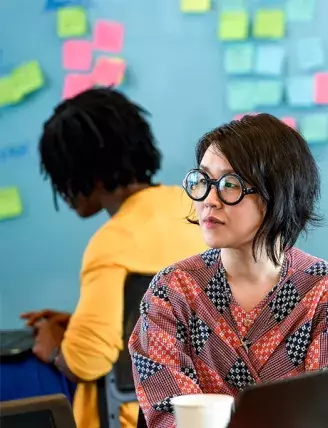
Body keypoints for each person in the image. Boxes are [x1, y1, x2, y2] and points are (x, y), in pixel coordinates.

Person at [128, 114, 328, 428]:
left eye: (230, 185)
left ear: (278, 192)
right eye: (203, 181)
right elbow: (169, 416)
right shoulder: (172, 289)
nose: (209, 200)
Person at [21, 88, 207, 428]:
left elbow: (87, 362)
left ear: (86, 175)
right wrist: (81, 322)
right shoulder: (198, 211)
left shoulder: (112, 242)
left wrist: (53, 346)